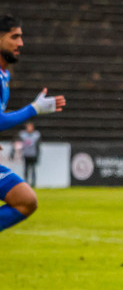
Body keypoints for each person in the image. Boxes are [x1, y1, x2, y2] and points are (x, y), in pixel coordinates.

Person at [0, 14, 65, 232]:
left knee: (25, 200)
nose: (21, 43)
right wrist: (34, 109)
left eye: (21, 37)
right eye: (14, 37)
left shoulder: (4, 76)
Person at [16, 121, 40, 187]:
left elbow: (38, 146)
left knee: (33, 169)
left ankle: (33, 183)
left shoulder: (36, 135)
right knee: (26, 169)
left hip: (33, 154)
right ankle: (26, 183)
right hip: (26, 154)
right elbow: (18, 143)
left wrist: (38, 154)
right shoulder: (22, 134)